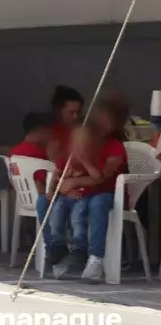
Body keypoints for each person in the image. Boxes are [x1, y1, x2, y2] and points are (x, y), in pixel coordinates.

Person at [47, 95, 128, 282]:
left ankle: (94, 258)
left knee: (94, 204)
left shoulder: (114, 147)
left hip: (108, 193)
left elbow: (101, 178)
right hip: (83, 192)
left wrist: (74, 183)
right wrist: (62, 188)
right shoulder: (83, 145)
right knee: (48, 203)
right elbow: (61, 171)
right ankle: (56, 250)